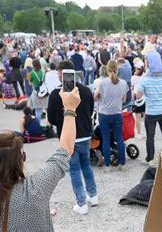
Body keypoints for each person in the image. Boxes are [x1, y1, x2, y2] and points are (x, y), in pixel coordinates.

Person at [0, 87, 80, 230]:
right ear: (17, 161)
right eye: (23, 155)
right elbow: (65, 151)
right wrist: (70, 108)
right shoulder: (34, 189)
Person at [47, 61, 97, 216]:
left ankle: (81, 203)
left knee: (74, 169)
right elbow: (90, 111)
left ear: (61, 74)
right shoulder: (86, 90)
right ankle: (93, 195)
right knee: (86, 165)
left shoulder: (56, 94)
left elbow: (52, 119)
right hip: (86, 134)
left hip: (69, 137)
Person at [135, 49, 162, 165]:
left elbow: (138, 95)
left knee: (150, 136)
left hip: (151, 112)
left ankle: (150, 158)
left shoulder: (145, 80)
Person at [94, 60, 129, 172]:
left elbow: (96, 97)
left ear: (107, 70)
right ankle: (123, 164)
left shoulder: (102, 83)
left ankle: (108, 166)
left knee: (106, 139)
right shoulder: (123, 83)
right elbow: (123, 99)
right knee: (119, 139)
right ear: (117, 70)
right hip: (117, 113)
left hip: (104, 114)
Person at [29, 59, 48, 125]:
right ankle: (46, 123)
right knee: (45, 108)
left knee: (37, 110)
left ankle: (38, 124)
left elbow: (30, 83)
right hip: (44, 92)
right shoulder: (43, 72)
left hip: (36, 93)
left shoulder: (31, 73)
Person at [131, 59, 145, 138]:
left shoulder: (133, 77)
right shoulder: (145, 76)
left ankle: (139, 133)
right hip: (145, 97)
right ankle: (147, 131)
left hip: (137, 97)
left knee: (138, 117)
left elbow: (132, 87)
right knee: (146, 116)